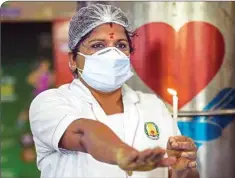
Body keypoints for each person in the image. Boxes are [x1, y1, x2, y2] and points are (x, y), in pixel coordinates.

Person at [29, 3, 199, 178]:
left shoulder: (154, 106)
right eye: (98, 45)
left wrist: (182, 170)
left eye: (121, 45)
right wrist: (121, 154)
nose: (112, 53)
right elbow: (84, 133)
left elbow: (182, 174)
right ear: (73, 59)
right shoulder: (50, 103)